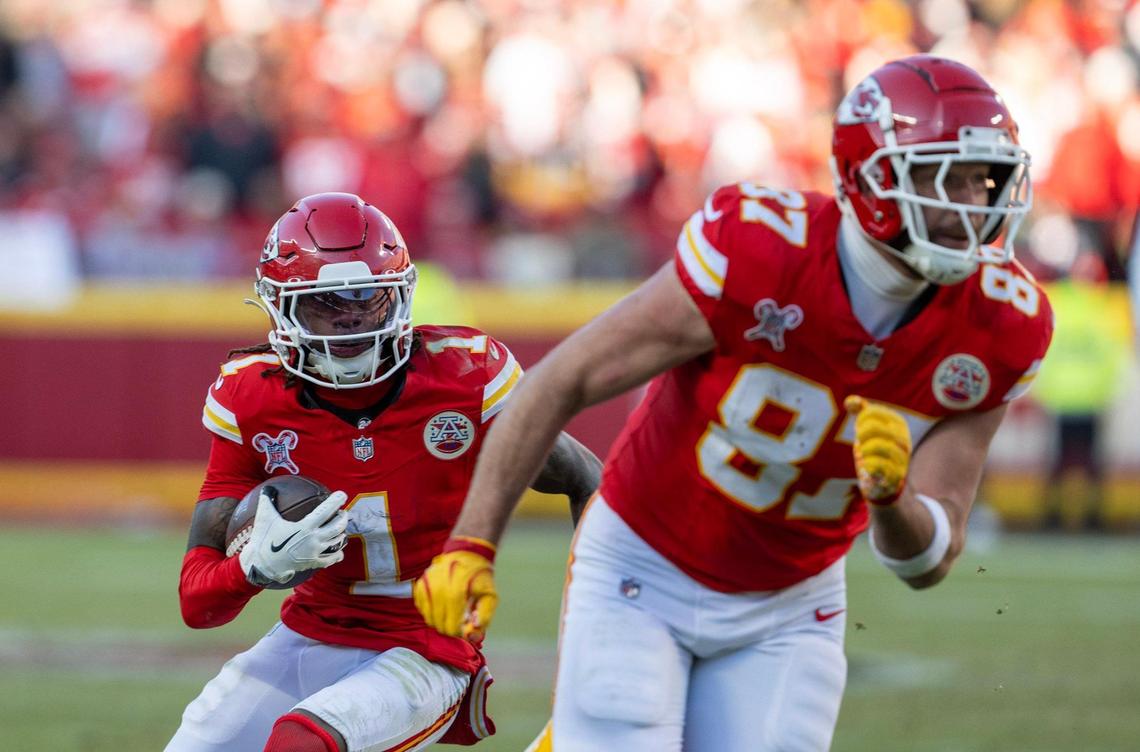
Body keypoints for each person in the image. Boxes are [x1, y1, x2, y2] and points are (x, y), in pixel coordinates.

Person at [413, 55, 1054, 751]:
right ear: (870, 177)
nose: (972, 200)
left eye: (983, 177)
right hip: (642, 567)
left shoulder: (1003, 324)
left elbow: (926, 562)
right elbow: (562, 379)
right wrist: (472, 543)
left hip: (791, 603)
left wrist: (891, 498)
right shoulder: (759, 249)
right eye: (945, 176)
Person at [165, 192, 600, 752]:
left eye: (366, 298)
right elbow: (197, 605)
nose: (349, 319)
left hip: (429, 644)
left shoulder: (465, 377)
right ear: (280, 308)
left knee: (301, 743)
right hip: (313, 628)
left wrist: (602, 622)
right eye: (325, 304)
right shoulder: (252, 398)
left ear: (399, 295)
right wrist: (253, 568)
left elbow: (585, 477)